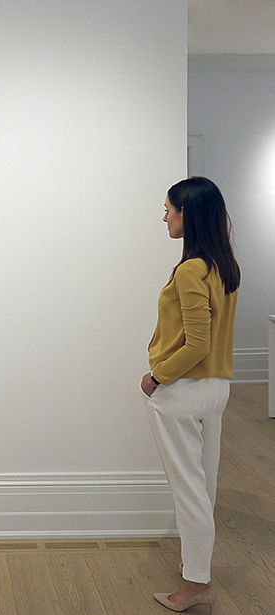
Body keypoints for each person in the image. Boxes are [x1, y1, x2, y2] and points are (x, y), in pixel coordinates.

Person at [141, 176, 240, 614]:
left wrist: (157, 376)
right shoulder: (223, 266)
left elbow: (196, 343)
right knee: (205, 487)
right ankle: (197, 573)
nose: (164, 216)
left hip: (183, 391)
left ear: (188, 214)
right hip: (216, 389)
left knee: (189, 492)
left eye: (168, 209)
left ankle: (195, 585)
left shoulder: (190, 269)